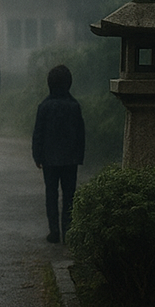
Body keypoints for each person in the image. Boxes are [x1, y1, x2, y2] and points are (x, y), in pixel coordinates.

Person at [32, 64, 86, 243]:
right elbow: (80, 134)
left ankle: (54, 231)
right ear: (69, 84)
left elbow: (38, 133)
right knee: (70, 195)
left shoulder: (44, 106)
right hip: (70, 159)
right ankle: (68, 231)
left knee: (51, 194)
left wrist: (37, 156)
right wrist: (79, 156)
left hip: (49, 159)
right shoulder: (74, 106)